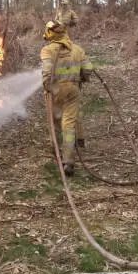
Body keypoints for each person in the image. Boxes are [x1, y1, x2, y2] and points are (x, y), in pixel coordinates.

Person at [40, 20, 93, 176]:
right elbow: (88, 69)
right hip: (72, 90)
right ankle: (68, 160)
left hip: (55, 91)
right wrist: (81, 78)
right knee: (68, 124)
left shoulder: (47, 50)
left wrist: (48, 87)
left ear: (51, 34)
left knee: (54, 121)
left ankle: (55, 149)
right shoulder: (77, 49)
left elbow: (47, 73)